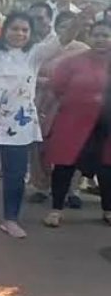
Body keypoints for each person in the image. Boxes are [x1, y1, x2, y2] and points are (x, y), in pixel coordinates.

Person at [0, 10, 75, 238]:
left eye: (24, 30)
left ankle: (11, 219)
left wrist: (82, 19)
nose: (19, 34)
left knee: (15, 174)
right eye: (14, 29)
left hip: (18, 127)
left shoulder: (36, 54)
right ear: (5, 30)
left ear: (30, 34)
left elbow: (64, 39)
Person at [43, 19, 111, 227]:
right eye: (97, 34)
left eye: (106, 35)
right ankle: (56, 209)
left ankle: (108, 210)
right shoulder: (73, 62)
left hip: (106, 127)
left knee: (107, 169)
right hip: (73, 124)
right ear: (89, 36)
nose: (101, 39)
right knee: (64, 166)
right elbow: (56, 88)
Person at [28, 8, 89, 207]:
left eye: (71, 26)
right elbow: (29, 73)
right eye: (63, 26)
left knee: (73, 146)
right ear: (56, 28)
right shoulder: (43, 48)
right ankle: (41, 187)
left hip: (74, 106)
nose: (67, 30)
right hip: (44, 101)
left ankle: (72, 190)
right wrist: (48, 82)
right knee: (40, 146)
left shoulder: (85, 50)